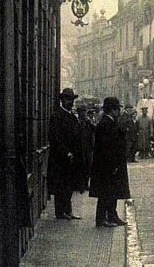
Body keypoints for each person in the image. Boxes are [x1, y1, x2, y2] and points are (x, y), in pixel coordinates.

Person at [89, 97, 130, 227]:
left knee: (111, 192)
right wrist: (113, 166)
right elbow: (107, 148)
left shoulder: (110, 122)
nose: (119, 111)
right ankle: (101, 219)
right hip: (107, 166)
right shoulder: (106, 124)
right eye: (117, 109)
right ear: (112, 110)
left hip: (110, 165)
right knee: (105, 193)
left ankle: (112, 216)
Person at [47, 88, 87, 220]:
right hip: (60, 159)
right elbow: (55, 138)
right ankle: (60, 212)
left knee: (69, 186)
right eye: (67, 99)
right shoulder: (57, 116)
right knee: (61, 186)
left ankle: (68, 211)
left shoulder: (72, 117)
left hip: (72, 159)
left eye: (71, 100)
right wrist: (66, 152)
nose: (70, 102)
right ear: (62, 101)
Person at [77, 104, 97, 190]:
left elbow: (95, 128)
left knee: (88, 165)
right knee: (80, 166)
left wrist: (89, 121)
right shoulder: (76, 121)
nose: (84, 113)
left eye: (84, 111)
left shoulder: (88, 122)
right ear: (79, 113)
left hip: (88, 146)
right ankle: (80, 184)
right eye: (82, 111)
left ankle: (85, 184)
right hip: (79, 147)